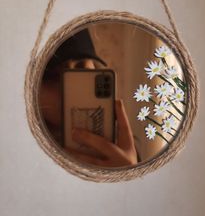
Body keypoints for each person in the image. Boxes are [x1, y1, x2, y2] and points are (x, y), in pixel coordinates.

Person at [40, 28, 138, 167]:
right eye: (53, 76)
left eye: (81, 67)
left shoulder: (123, 152)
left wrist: (127, 176)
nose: (74, 87)